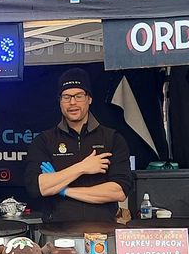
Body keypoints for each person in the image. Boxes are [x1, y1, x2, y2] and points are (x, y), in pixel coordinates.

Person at [24, 68, 132, 223]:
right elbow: (38, 187)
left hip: (102, 232)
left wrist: (64, 190)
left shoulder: (112, 139)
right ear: (60, 101)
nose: (72, 102)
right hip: (57, 234)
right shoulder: (44, 141)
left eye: (79, 96)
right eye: (66, 97)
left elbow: (118, 191)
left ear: (89, 99)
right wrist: (82, 167)